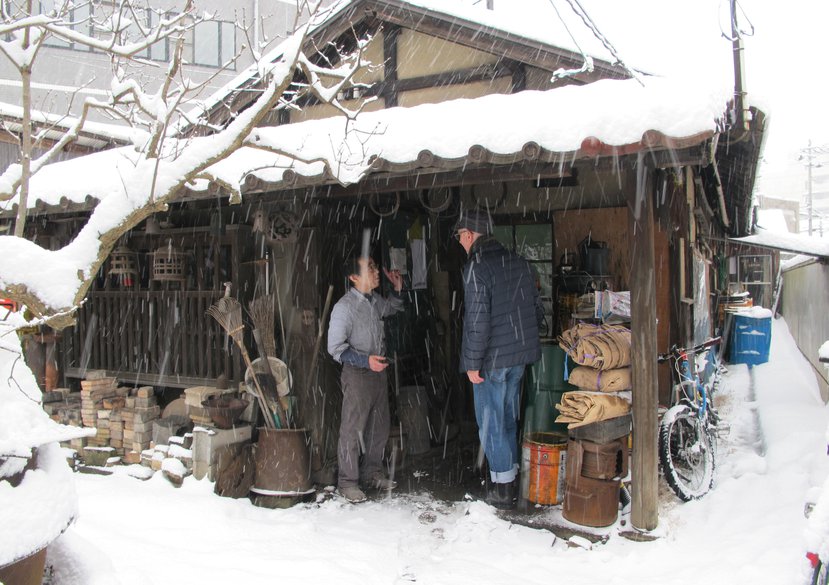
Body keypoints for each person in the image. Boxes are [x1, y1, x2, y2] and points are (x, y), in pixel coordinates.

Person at [454, 209, 542, 509]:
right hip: (518, 357)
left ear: (468, 235)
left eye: (460, 238)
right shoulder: (518, 261)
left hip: (491, 361)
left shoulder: (476, 267)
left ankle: (502, 488)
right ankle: (512, 476)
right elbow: (535, 308)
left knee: (490, 422)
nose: (460, 243)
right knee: (507, 418)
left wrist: (472, 362)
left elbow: (477, 321)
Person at [327, 255, 405, 503]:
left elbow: (391, 309)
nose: (375, 271)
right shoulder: (344, 308)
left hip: (378, 372)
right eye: (369, 268)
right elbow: (335, 348)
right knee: (352, 429)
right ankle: (347, 482)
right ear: (353, 277)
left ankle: (372, 473)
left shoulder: (373, 301)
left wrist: (398, 289)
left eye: (374, 266)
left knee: (378, 426)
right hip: (358, 373)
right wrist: (365, 361)